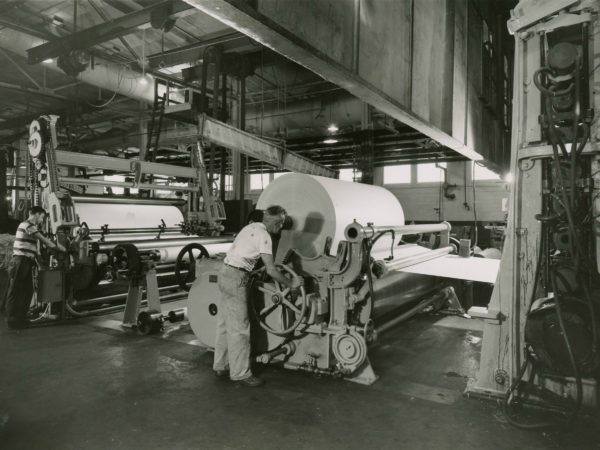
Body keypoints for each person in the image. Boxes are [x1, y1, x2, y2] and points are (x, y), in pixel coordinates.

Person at [213, 205, 301, 387]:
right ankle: (240, 374)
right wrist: (291, 283)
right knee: (240, 329)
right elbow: (272, 270)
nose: (281, 229)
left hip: (225, 272)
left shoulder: (249, 228)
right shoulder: (265, 236)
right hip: (237, 278)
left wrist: (253, 269)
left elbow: (245, 254)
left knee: (224, 323)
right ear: (277, 222)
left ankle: (221, 364)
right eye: (281, 225)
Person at [5, 206, 66, 329]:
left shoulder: (31, 228)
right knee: (16, 291)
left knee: (27, 291)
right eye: (42, 217)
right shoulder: (27, 225)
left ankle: (21, 319)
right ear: (37, 214)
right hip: (20, 261)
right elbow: (44, 240)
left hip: (26, 262)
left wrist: (41, 264)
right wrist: (60, 248)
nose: (42, 220)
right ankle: (12, 321)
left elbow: (36, 250)